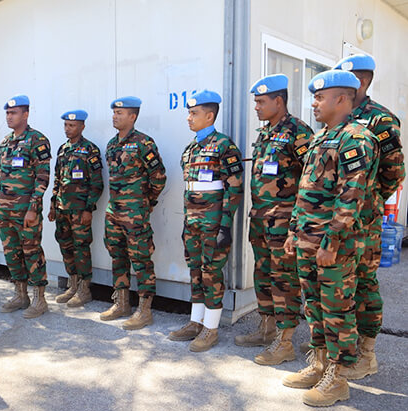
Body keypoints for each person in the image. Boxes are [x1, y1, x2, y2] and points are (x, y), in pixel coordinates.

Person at [282, 70, 377, 407]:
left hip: (332, 244)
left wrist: (332, 240)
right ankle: (320, 363)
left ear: (341, 99)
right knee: (315, 305)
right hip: (308, 238)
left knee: (337, 308)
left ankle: (338, 377)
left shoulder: (356, 139)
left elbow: (350, 195)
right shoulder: (322, 138)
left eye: (320, 97)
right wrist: (294, 230)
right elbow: (305, 190)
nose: (314, 103)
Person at [333, 54, 405, 380]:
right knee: (338, 286)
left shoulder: (381, 121)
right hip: (334, 218)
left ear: (360, 82)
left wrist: (369, 200)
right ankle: (337, 351)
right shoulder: (337, 119)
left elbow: (394, 172)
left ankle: (367, 353)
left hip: (364, 223)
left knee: (363, 285)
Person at [234, 74, 314, 365]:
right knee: (263, 273)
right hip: (260, 218)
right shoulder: (266, 132)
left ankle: (286, 341)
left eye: (261, 102)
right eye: (255, 102)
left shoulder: (299, 132)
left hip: (283, 221)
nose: (256, 107)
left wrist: (298, 222)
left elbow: (311, 179)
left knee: (284, 279)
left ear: (278, 101)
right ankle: (267, 328)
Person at [168, 90, 243, 352]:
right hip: (193, 223)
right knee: (196, 272)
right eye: (189, 113)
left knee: (211, 274)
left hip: (213, 223)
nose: (189, 118)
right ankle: (195, 322)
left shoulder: (224, 146)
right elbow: (190, 188)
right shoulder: (191, 148)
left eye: (194, 113)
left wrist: (224, 225)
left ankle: (211, 328)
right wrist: (187, 222)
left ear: (209, 115)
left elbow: (235, 187)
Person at [100, 96, 167, 330]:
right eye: (114, 112)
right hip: (114, 212)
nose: (115, 116)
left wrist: (145, 204)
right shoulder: (111, 144)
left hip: (135, 214)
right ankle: (121, 303)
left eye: (120, 113)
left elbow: (159, 177)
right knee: (117, 256)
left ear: (133, 116)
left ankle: (144, 309)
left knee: (141, 260)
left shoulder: (143, 143)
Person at [0, 95, 51, 319]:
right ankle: (21, 295)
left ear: (25, 114)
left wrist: (33, 208)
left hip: (26, 211)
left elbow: (43, 177)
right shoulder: (5, 142)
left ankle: (40, 299)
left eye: (13, 113)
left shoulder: (37, 140)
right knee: (12, 253)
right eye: (7, 113)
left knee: (32, 253)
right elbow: (0, 176)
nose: (9, 117)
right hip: (5, 210)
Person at [48, 109, 104, 307]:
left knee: (81, 248)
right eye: (65, 125)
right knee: (66, 246)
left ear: (82, 126)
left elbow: (97, 183)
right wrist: (53, 205)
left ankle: (84, 289)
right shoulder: (62, 149)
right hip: (62, 209)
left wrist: (89, 208)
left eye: (71, 125)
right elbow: (57, 179)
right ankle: (73, 284)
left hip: (80, 210)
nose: (67, 129)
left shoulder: (90, 150)